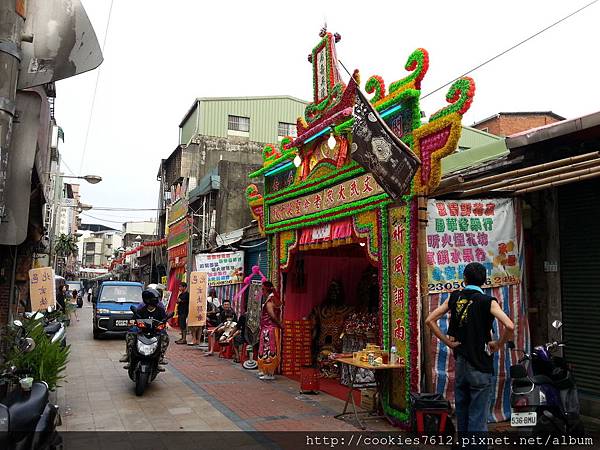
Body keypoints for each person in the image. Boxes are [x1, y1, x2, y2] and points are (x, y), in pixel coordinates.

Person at [425, 262, 515, 435]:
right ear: (484, 281)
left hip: (461, 363)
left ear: (465, 279)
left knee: (463, 412)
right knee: (478, 416)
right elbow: (510, 326)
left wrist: (448, 343)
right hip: (480, 365)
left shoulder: (455, 297)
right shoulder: (488, 301)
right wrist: (498, 344)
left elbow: (430, 320)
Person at [120, 288, 169, 370]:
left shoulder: (160, 310)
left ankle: (160, 358)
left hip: (155, 331)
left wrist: (163, 324)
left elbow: (164, 320)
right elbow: (133, 320)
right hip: (142, 331)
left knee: (165, 337)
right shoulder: (141, 309)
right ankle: (130, 358)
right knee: (130, 335)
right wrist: (133, 323)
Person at [257, 281, 283, 380]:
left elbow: (272, 315)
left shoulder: (270, 301)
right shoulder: (272, 299)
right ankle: (267, 371)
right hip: (269, 328)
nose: (262, 291)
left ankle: (269, 372)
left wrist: (279, 324)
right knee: (268, 350)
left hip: (269, 329)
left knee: (268, 350)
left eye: (263, 289)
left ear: (266, 289)